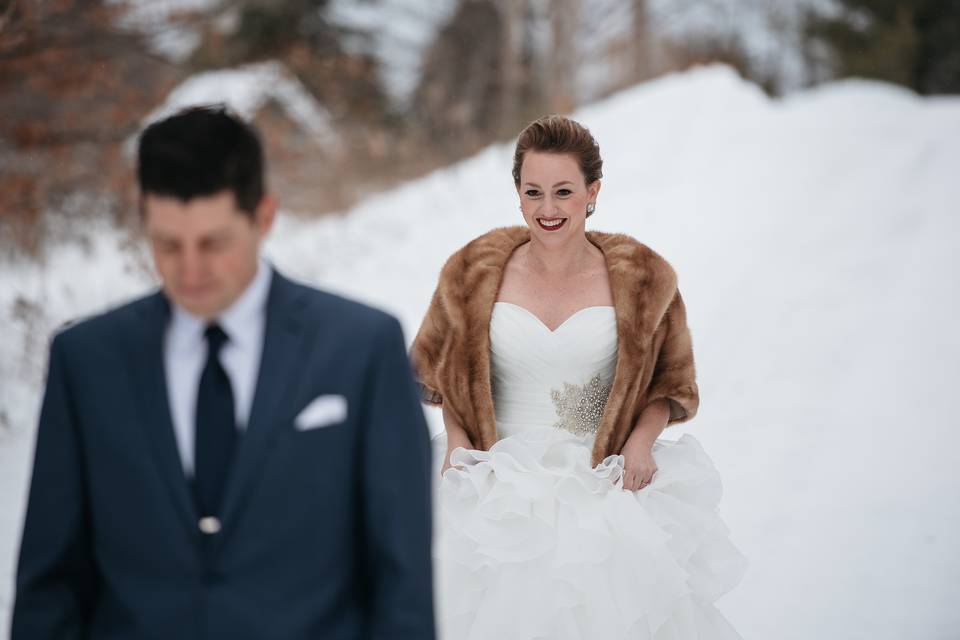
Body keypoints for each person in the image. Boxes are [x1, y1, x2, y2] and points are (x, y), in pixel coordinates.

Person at [11, 105, 436, 640]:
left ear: (263, 217)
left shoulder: (361, 348)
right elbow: (49, 588)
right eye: (168, 244)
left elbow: (402, 581)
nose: (189, 270)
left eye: (213, 243)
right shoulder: (86, 361)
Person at [412, 115, 746, 639]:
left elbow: (669, 382)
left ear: (592, 192)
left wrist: (641, 442)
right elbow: (446, 372)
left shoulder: (646, 279)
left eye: (564, 192)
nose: (548, 209)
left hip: (603, 479)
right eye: (534, 192)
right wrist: (457, 443)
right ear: (518, 195)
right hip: (493, 481)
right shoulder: (469, 272)